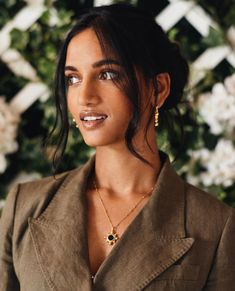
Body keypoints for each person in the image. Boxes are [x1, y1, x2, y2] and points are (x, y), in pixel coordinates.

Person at [0, 3, 234, 291]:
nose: (84, 96)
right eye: (73, 78)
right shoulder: (25, 206)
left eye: (107, 74)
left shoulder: (214, 225)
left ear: (158, 88)